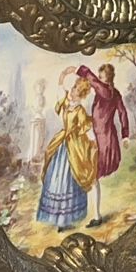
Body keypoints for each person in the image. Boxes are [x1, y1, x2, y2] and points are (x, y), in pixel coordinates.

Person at [35, 74, 97, 231]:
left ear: (80, 94)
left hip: (74, 146)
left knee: (69, 180)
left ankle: (65, 219)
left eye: (76, 88)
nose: (73, 89)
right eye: (74, 86)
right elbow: (59, 93)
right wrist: (62, 77)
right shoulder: (66, 103)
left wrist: (93, 142)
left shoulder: (80, 110)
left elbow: (86, 129)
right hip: (63, 143)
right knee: (56, 179)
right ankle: (57, 218)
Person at [75, 62, 132, 226]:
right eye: (99, 77)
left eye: (101, 77)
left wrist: (81, 70)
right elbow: (122, 113)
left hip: (103, 139)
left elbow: (94, 82)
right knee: (91, 177)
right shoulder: (113, 93)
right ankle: (92, 213)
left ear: (107, 79)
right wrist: (125, 135)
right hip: (99, 136)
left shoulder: (106, 91)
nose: (99, 80)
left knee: (93, 176)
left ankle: (96, 216)